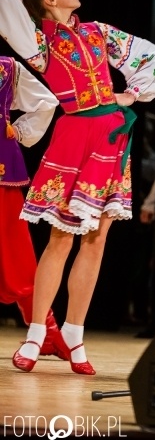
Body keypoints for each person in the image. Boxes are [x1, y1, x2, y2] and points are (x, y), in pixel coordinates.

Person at [0, 0, 155, 375]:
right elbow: (9, 9)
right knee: (60, 238)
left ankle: (75, 331)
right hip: (74, 134)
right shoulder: (39, 43)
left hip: (110, 135)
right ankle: (37, 333)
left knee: (97, 239)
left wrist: (129, 94)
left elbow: (149, 55)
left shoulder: (97, 31)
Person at [0, 54, 68, 360]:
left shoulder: (6, 68)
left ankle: (47, 330)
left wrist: (20, 131)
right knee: (16, 251)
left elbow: (46, 102)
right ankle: (47, 331)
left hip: (2, 171)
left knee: (16, 251)